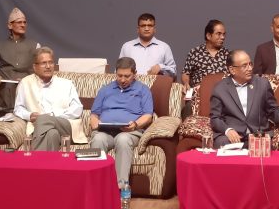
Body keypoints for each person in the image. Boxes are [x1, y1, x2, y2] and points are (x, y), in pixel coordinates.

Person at [90, 57, 154, 188]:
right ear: (115, 73)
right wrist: (96, 125)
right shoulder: (105, 90)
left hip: (130, 132)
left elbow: (148, 115)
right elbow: (94, 114)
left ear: (134, 74)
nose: (123, 80)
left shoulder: (143, 90)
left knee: (123, 139)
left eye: (127, 76)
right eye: (119, 76)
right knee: (98, 139)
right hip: (106, 132)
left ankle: (121, 187)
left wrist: (135, 125)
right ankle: (97, 186)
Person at [210, 50, 279, 148]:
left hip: (258, 134)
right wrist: (228, 130)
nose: (249, 68)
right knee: (221, 143)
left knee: (264, 146)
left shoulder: (262, 84)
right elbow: (215, 118)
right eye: (244, 66)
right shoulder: (220, 89)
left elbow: (273, 109)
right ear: (232, 70)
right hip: (234, 136)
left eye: (250, 64)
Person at [14, 46, 85, 151]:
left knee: (43, 119)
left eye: (50, 62)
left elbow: (77, 108)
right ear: (35, 67)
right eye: (44, 63)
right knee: (52, 134)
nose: (48, 66)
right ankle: (45, 162)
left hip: (64, 125)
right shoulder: (25, 83)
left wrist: (53, 116)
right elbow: (18, 108)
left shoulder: (66, 84)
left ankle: (32, 158)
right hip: (38, 127)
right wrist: (29, 115)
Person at [0, 7, 41, 109]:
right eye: (19, 22)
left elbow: (39, 73)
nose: (23, 25)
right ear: (10, 25)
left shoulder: (35, 46)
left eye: (24, 22)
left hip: (27, 88)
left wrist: (26, 81)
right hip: (5, 91)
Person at [118, 13, 177, 78]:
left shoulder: (164, 47)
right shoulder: (127, 47)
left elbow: (174, 72)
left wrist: (161, 67)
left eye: (150, 25)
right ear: (138, 29)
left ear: (154, 29)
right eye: (143, 26)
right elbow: (118, 71)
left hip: (155, 84)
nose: (146, 29)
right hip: (132, 84)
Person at [182, 20, 231, 90]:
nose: (223, 37)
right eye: (219, 34)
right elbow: (186, 73)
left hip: (222, 94)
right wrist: (186, 83)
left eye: (224, 34)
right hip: (198, 93)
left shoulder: (228, 55)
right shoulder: (195, 52)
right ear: (208, 36)